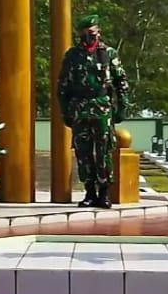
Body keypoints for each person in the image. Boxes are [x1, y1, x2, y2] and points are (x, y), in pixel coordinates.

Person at [56, 13, 130, 208]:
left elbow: (121, 82)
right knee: (83, 153)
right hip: (80, 109)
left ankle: (104, 193)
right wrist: (65, 112)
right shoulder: (72, 55)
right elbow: (62, 86)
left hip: (102, 108)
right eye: (84, 33)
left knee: (104, 151)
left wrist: (122, 107)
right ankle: (89, 192)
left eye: (91, 32)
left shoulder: (109, 53)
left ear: (99, 32)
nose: (88, 36)